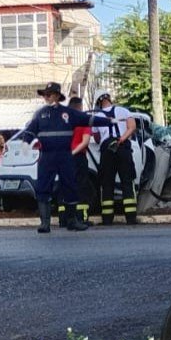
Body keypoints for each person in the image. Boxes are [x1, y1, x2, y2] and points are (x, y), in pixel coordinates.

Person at [25, 82, 115, 233]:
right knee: (43, 187)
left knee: (70, 186)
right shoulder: (40, 114)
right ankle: (45, 223)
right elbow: (29, 132)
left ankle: (72, 221)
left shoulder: (69, 113)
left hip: (65, 155)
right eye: (44, 95)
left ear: (56, 96)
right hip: (47, 155)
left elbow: (89, 119)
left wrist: (110, 121)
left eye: (48, 94)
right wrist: (25, 147)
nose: (46, 98)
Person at [93, 89, 137, 225]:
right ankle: (130, 218)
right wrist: (121, 140)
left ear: (99, 102)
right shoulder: (123, 111)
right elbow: (132, 127)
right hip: (123, 148)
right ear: (109, 98)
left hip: (107, 150)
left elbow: (96, 137)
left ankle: (107, 219)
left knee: (107, 184)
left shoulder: (97, 116)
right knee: (127, 182)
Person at [68, 97, 98, 225]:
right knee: (81, 187)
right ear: (80, 107)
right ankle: (81, 218)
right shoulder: (82, 120)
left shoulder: (63, 121)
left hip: (64, 158)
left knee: (66, 187)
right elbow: (86, 141)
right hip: (78, 157)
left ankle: (65, 218)